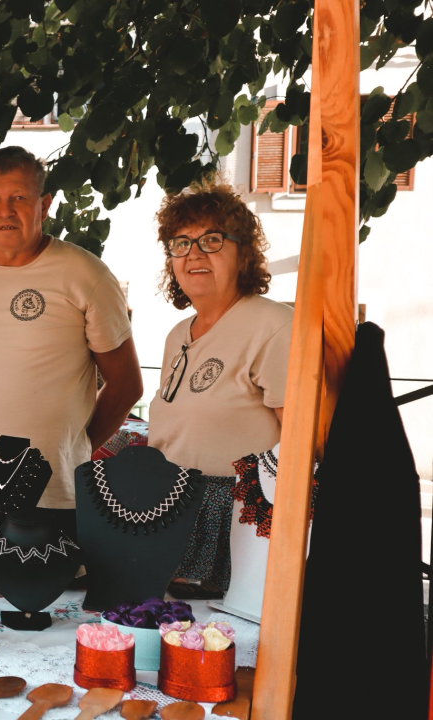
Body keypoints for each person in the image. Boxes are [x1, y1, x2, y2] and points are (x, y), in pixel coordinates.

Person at [0, 146, 143, 528]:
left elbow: (127, 385)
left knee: (43, 589)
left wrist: (72, 450)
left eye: (19, 198)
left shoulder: (86, 275)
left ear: (44, 205)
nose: (5, 211)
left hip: (47, 488)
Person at [148, 180, 293, 594]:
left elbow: (304, 444)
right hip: (169, 515)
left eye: (210, 240)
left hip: (236, 526)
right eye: (181, 243)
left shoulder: (272, 326)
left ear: (242, 253)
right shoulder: (178, 334)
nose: (193, 253)